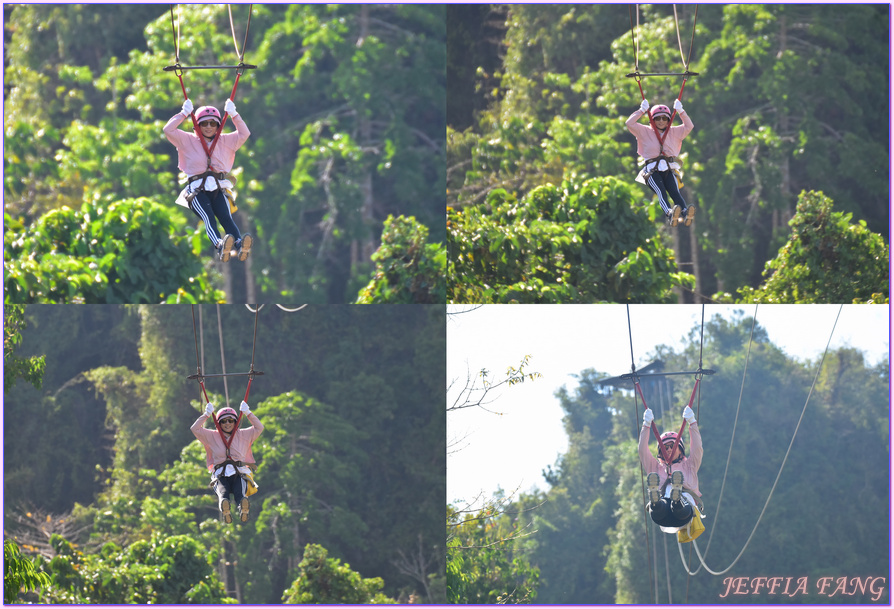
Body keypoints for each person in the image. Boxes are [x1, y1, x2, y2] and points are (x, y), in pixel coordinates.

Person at [164, 98, 253, 261]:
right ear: (197, 126)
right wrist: (183, 113)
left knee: (226, 217)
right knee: (209, 217)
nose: (209, 127)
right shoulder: (187, 140)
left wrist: (234, 115)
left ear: (218, 126)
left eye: (213, 124)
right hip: (197, 190)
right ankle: (220, 245)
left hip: (218, 188)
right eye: (204, 124)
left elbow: (245, 133)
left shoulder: (226, 141)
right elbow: (168, 130)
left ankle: (239, 243)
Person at [191, 401, 264, 523]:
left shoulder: (244, 434)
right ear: (219, 423)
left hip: (239, 472)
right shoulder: (212, 435)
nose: (227, 423)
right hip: (221, 473)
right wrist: (206, 415)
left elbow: (259, 427)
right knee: (222, 491)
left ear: (235, 422)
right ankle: (225, 508)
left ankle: (243, 506)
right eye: (224, 421)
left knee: (239, 491)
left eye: (230, 420)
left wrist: (248, 413)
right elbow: (195, 428)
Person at [626, 98, 695, 227]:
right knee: (661, 191)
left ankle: (685, 212)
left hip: (669, 168)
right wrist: (641, 111)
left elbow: (689, 126)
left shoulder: (675, 132)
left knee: (675, 192)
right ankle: (669, 213)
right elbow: (629, 123)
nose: (661, 121)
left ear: (669, 120)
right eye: (657, 118)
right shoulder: (645, 131)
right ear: (652, 120)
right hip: (652, 170)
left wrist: (681, 111)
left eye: (664, 118)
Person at [638, 405, 702, 533]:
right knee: (660, 506)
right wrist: (646, 426)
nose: (668, 449)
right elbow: (642, 451)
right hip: (662, 515)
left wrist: (692, 423)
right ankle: (657, 501)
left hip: (683, 514)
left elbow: (697, 448)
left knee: (680, 507)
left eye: (672, 446)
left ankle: (677, 500)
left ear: (680, 448)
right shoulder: (655, 467)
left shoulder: (690, 465)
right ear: (661, 452)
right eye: (665, 447)